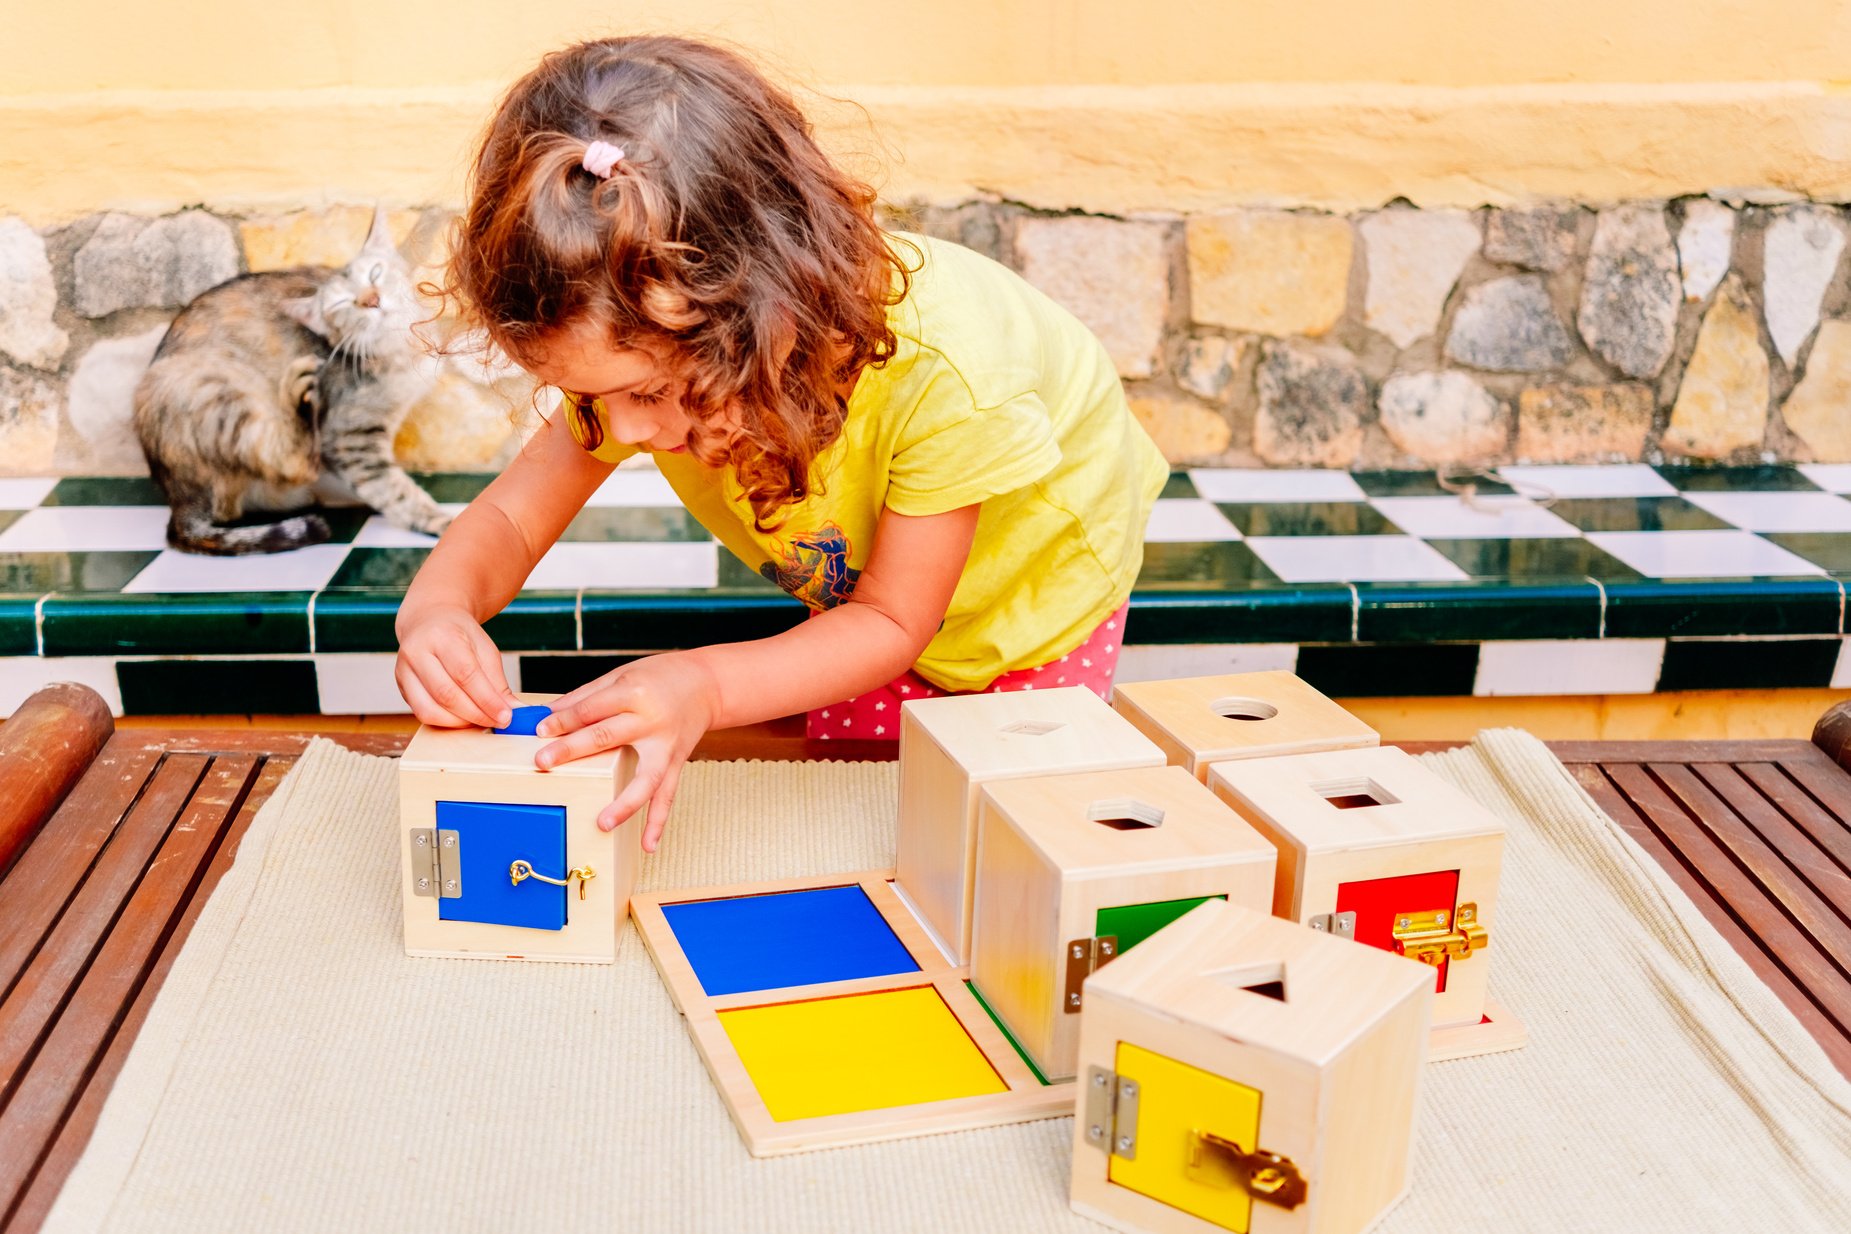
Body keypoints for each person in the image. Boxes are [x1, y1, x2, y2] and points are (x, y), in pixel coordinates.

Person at [395, 35, 1168, 852]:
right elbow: (511, 523)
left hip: (1028, 599)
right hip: (866, 609)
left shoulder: (949, 376)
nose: (619, 431)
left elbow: (891, 620)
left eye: (650, 394)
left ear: (769, 320)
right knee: (850, 823)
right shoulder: (643, 343)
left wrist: (700, 682)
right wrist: (437, 610)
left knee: (1011, 845)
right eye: (590, 397)